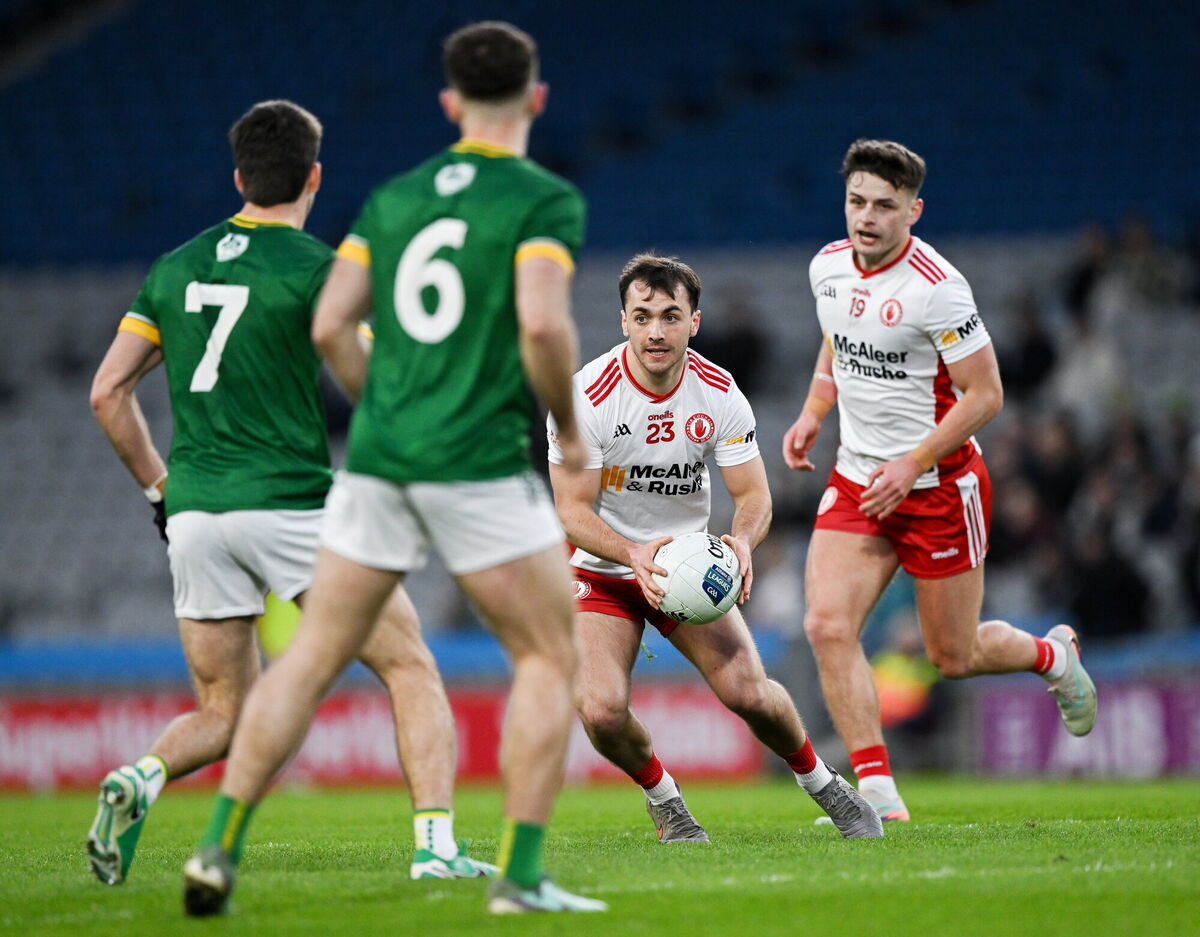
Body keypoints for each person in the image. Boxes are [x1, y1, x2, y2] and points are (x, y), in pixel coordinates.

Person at [181, 22, 606, 916]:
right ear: (535, 99)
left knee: (308, 660)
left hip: (378, 464)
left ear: (449, 103)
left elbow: (333, 323)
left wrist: (384, 407)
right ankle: (519, 878)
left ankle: (218, 846)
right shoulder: (540, 199)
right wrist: (571, 428)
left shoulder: (393, 197)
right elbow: (540, 323)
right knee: (548, 652)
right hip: (479, 461)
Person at [86, 100, 494, 887]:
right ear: (313, 176)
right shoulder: (318, 272)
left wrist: (159, 491)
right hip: (293, 505)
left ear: (238, 176)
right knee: (409, 665)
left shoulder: (173, 268)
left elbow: (108, 393)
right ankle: (435, 846)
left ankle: (141, 775)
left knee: (222, 709)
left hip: (197, 512)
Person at [783, 139, 1098, 822]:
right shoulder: (827, 267)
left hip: (938, 490)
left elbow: (985, 394)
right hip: (859, 480)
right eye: (856, 201)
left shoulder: (937, 286)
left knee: (950, 655)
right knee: (826, 624)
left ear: (913, 211)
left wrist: (912, 462)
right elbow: (837, 336)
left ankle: (1052, 653)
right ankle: (876, 794)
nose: (865, 217)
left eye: (883, 206)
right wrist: (813, 410)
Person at [547, 253, 882, 842]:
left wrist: (744, 543)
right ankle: (667, 802)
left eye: (671, 316)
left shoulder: (719, 392)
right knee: (599, 710)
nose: (656, 330)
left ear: (694, 322)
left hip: (688, 569)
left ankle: (825, 786)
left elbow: (754, 494)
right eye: (643, 315)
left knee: (749, 694)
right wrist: (632, 554)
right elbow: (570, 509)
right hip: (605, 571)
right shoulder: (584, 398)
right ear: (623, 320)